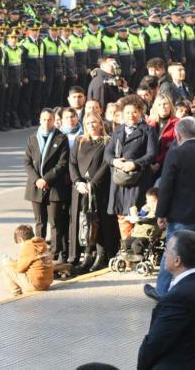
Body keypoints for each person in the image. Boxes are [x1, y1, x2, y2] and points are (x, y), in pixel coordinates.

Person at [147, 117, 195, 299]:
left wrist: (161, 213)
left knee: (174, 252)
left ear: (178, 134)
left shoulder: (176, 153)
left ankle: (162, 291)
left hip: (181, 216)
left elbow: (166, 186)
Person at [104, 96, 158, 249]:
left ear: (141, 112)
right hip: (120, 179)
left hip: (138, 180)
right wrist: (115, 162)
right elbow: (107, 154)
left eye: (134, 112)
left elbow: (152, 154)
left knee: (136, 216)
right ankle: (126, 253)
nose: (131, 115)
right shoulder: (118, 130)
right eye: (127, 112)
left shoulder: (148, 130)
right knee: (121, 216)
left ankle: (136, 251)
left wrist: (135, 164)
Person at [137, 230, 195, 370]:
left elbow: (154, 343)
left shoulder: (178, 298)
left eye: (167, 251)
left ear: (177, 261)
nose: (164, 254)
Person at [69, 112, 116, 271]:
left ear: (101, 124)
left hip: (98, 188)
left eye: (94, 122)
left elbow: (105, 165)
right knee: (85, 222)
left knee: (98, 221)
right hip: (81, 189)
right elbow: (72, 164)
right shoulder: (79, 141)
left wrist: (93, 184)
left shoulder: (107, 141)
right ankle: (87, 255)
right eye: (88, 123)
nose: (92, 126)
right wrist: (77, 182)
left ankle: (101, 255)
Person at [24, 108, 70, 261]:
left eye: (50, 119)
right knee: (39, 222)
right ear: (39, 120)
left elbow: (62, 163)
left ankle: (55, 253)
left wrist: (47, 179)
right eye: (44, 119)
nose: (47, 122)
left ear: (54, 120)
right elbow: (27, 162)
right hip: (36, 186)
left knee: (54, 222)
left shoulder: (60, 138)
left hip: (54, 186)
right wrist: (37, 179)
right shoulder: (32, 138)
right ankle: (39, 252)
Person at [2, 224, 53, 296]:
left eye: (19, 243)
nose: (20, 246)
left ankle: (17, 294)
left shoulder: (27, 246)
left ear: (20, 240)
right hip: (47, 283)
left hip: (36, 285)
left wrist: (9, 262)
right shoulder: (41, 244)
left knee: (6, 267)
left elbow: (19, 269)